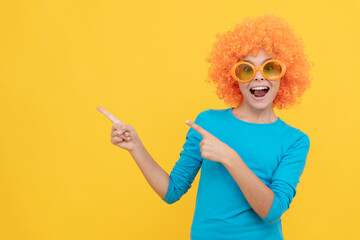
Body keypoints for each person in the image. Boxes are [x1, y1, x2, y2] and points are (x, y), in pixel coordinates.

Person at [97, 14, 312, 240]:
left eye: (269, 68)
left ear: (284, 76)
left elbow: (271, 212)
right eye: (246, 70)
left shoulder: (294, 140)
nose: (258, 77)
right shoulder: (208, 123)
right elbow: (172, 191)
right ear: (234, 77)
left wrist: (230, 157)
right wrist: (135, 147)